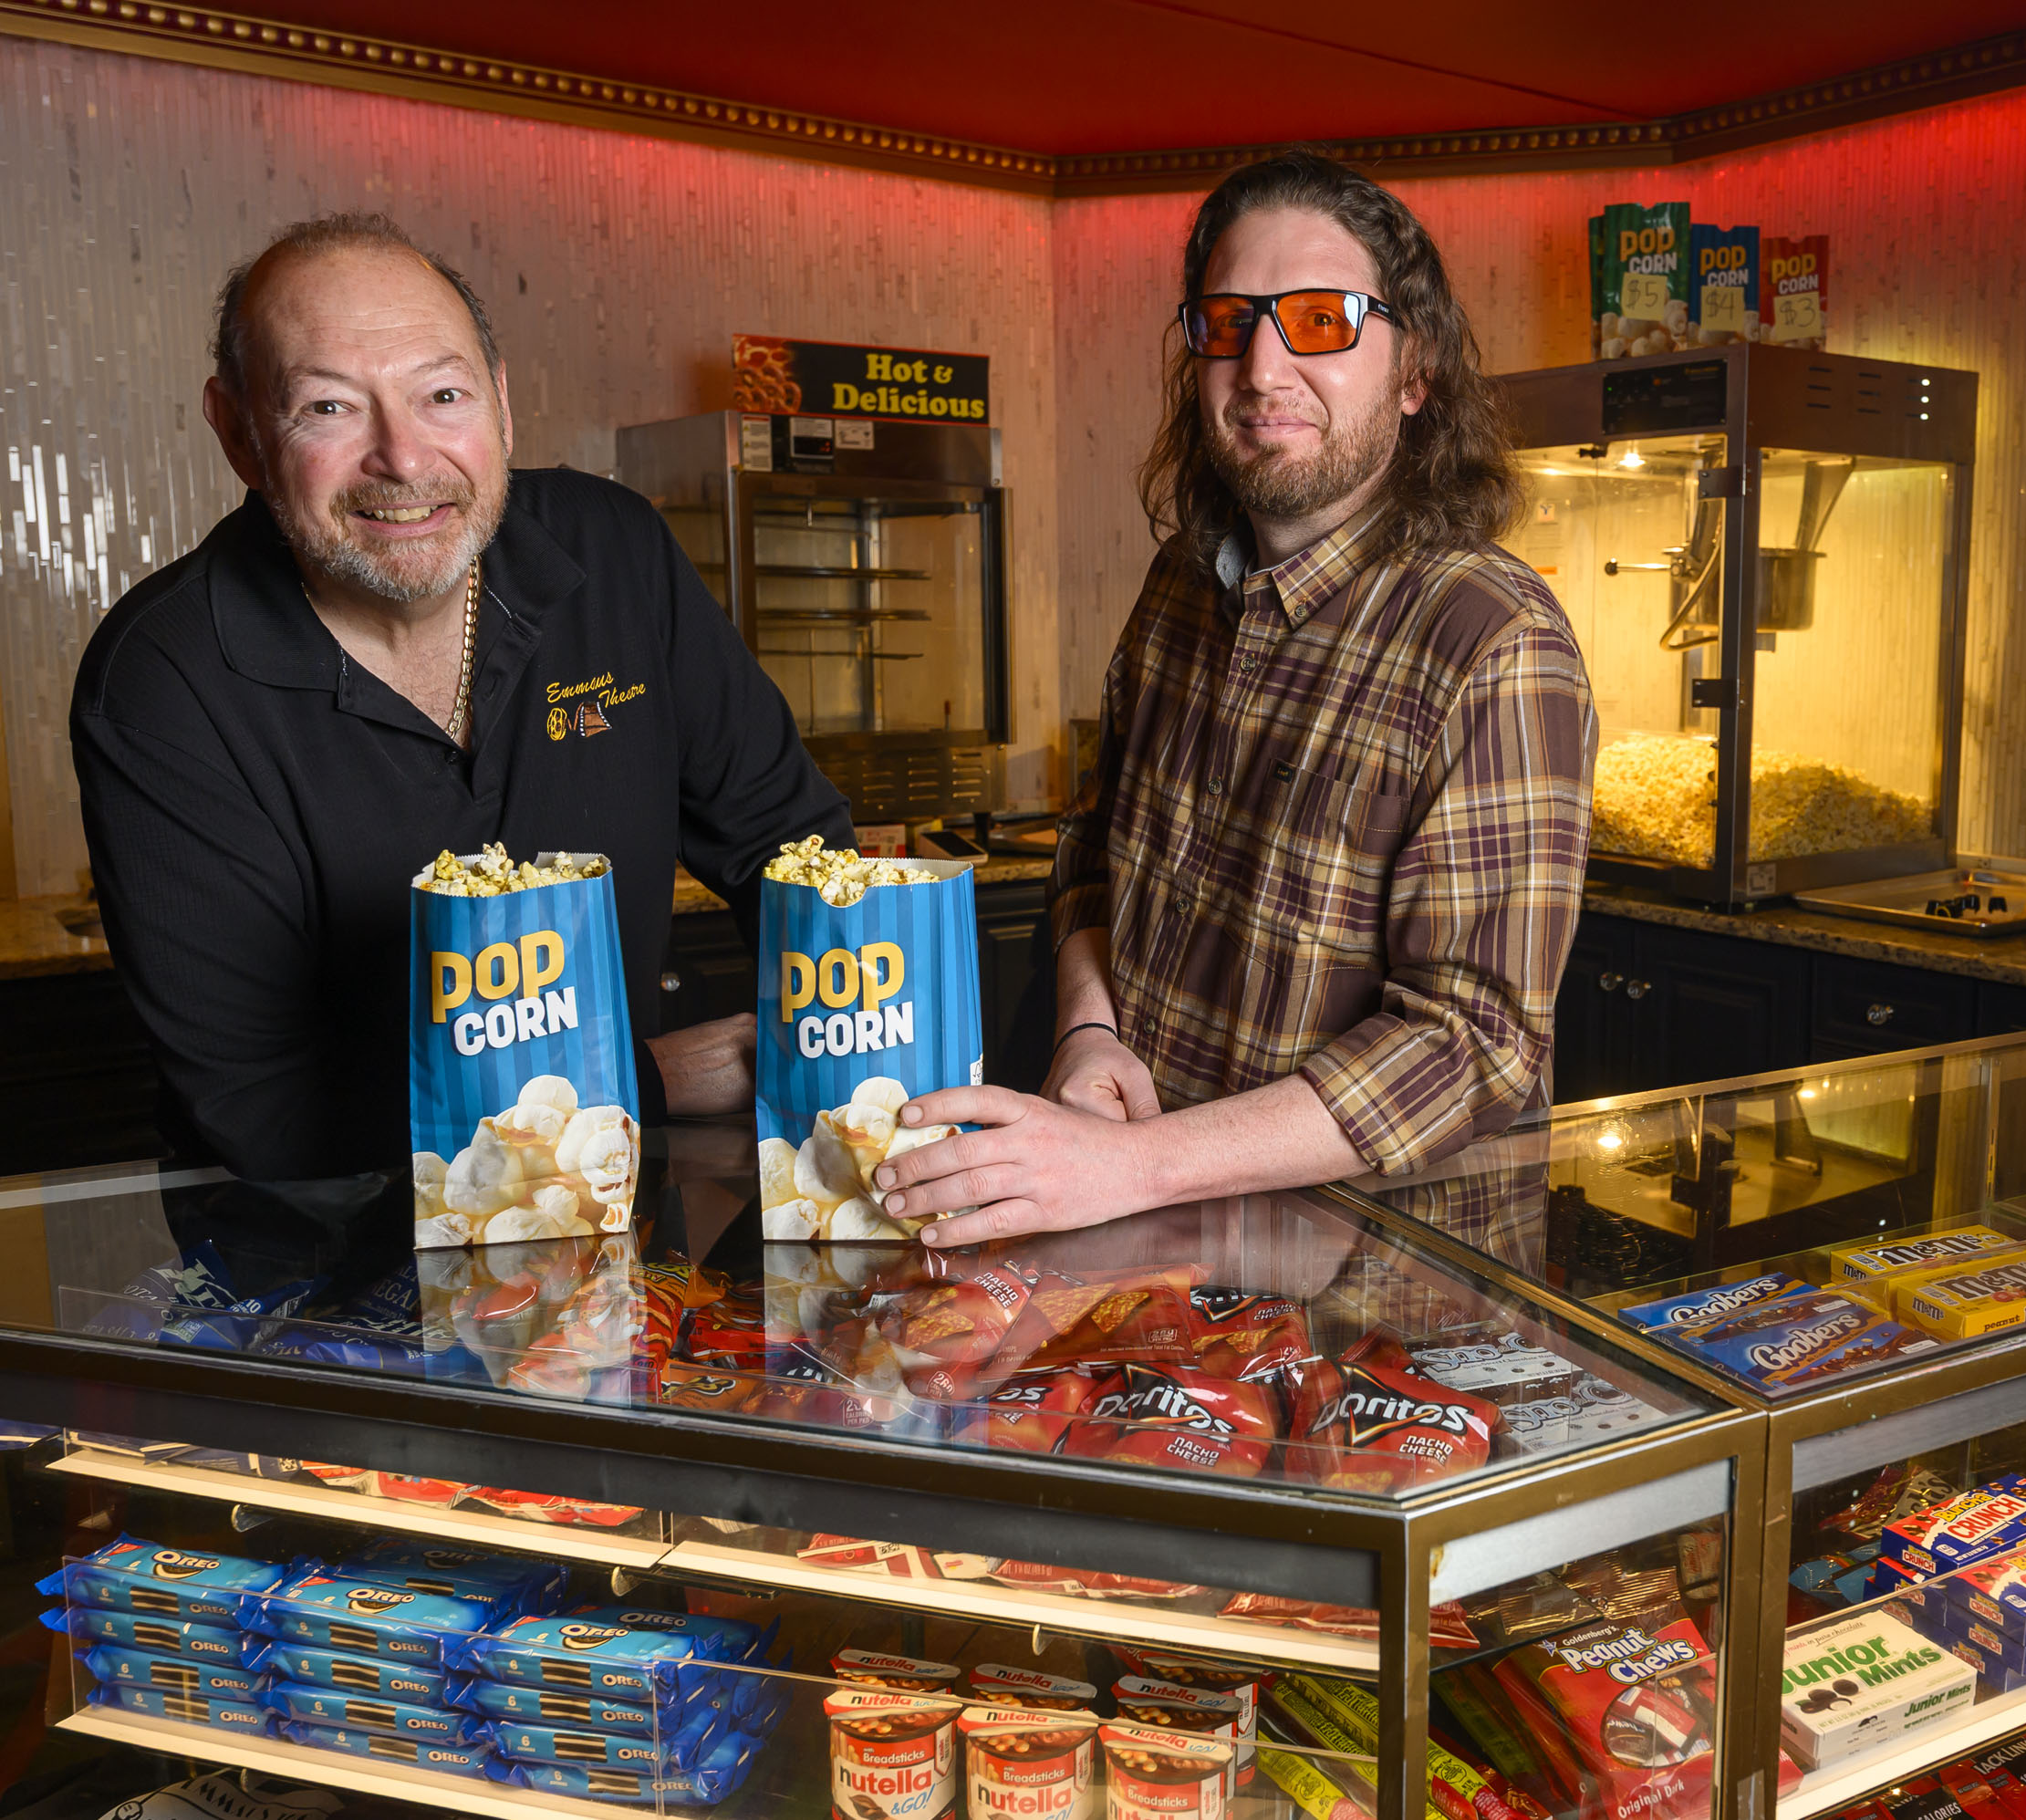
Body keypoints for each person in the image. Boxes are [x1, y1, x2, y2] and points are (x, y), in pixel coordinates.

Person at [878, 152, 1595, 1245]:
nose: (1262, 366)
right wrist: (1087, 1032)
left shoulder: (1493, 638)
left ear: (1416, 372)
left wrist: (1134, 1164)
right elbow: (1093, 857)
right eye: (1229, 323)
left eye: (1321, 320)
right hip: (1153, 1251)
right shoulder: (1179, 587)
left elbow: (1472, 1046)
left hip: (1381, 1293)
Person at [71, 214, 848, 1180]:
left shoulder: (614, 550)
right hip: (318, 1242)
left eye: (443, 395)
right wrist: (652, 1077)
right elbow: (260, 1111)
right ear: (239, 433)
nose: (403, 460)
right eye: (328, 408)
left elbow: (797, 854)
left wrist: (870, 1074)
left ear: (502, 405)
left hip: (619, 1214)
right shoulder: (162, 678)